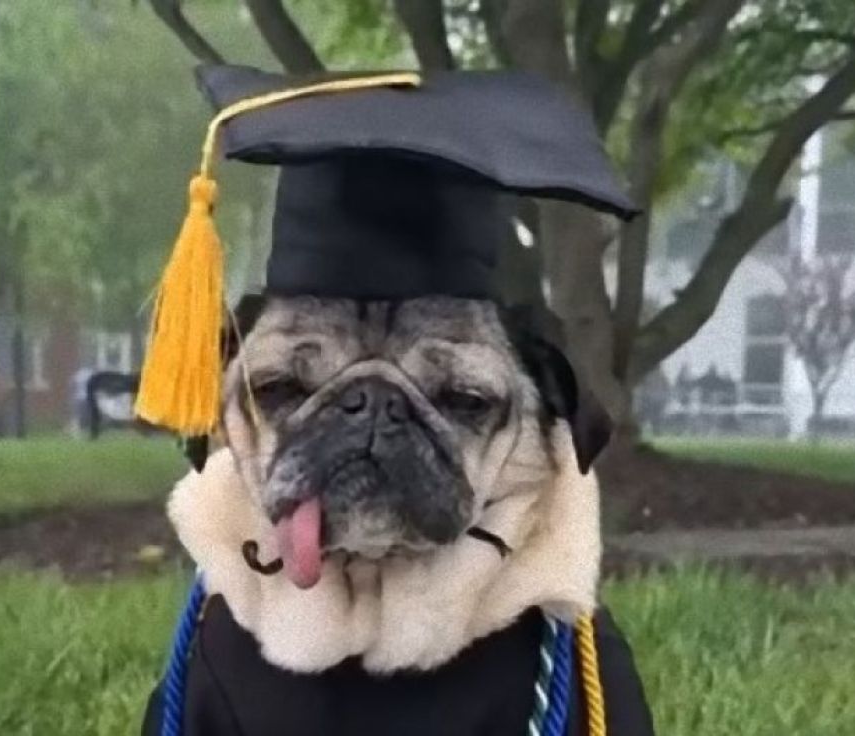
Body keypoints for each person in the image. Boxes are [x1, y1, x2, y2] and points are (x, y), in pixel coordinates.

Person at [135, 64, 654, 736]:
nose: (369, 425)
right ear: (220, 407)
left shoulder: (562, 673)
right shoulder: (213, 663)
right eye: (285, 389)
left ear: (555, 419)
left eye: (461, 399)